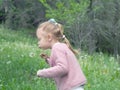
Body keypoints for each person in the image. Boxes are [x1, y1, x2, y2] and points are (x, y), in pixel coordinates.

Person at [36, 19, 87, 90]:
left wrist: (42, 72)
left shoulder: (57, 47)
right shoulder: (61, 46)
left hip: (71, 87)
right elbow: (62, 63)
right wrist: (49, 60)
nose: (38, 42)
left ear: (49, 37)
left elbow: (62, 68)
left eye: (39, 39)